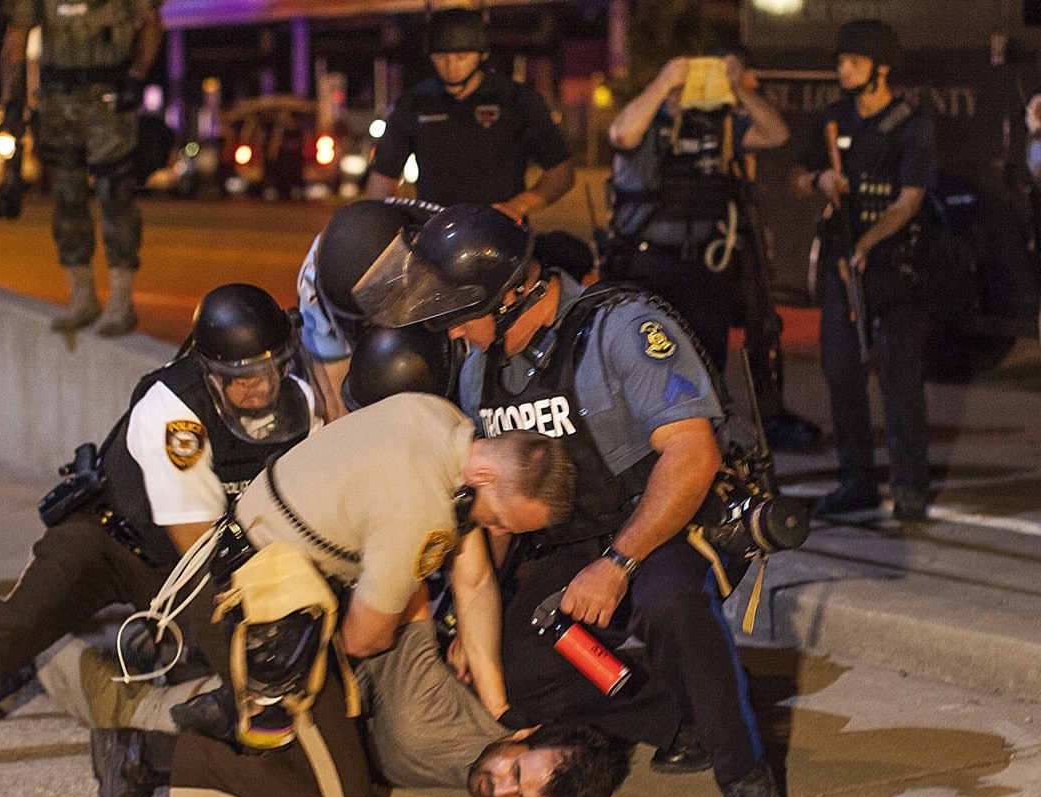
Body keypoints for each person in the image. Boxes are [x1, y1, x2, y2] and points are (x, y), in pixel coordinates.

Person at [352, 203, 785, 797]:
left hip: (659, 523)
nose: (449, 334)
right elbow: (496, 516)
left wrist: (617, 564)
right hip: (565, 541)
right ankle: (679, 713)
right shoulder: (482, 370)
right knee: (511, 675)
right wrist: (472, 621)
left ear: (506, 298)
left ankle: (741, 766)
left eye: (456, 317)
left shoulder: (622, 329)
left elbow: (694, 456)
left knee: (669, 601)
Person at [0, 283, 318, 790]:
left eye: (271, 368)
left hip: (199, 556)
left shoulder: (300, 401)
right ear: (208, 371)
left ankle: (114, 665)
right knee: (13, 629)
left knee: (261, 683)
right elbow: (197, 547)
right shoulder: (172, 408)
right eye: (242, 375)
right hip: (113, 541)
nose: (262, 387)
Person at [88, 392, 578, 797]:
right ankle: (146, 761)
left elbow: (473, 581)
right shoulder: (420, 510)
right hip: (259, 616)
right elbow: (363, 639)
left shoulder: (440, 419)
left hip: (248, 567)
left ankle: (234, 716)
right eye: (496, 518)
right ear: (485, 478)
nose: (491, 528)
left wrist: (495, 707)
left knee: (320, 745)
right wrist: (328, 697)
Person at [34, 606, 623, 797]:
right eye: (515, 773)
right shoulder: (447, 710)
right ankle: (34, 651)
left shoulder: (477, 763)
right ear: (525, 733)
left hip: (308, 724)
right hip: (294, 682)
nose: (501, 791)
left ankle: (124, 673)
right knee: (133, 711)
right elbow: (414, 598)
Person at [606, 47, 821, 451]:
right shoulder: (648, 121)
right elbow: (622, 134)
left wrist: (738, 87)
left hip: (700, 265)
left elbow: (776, 133)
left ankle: (704, 451)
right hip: (644, 264)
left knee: (706, 363)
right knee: (642, 366)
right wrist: (664, 82)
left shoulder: (717, 127)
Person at [793, 19, 936, 521]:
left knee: (899, 379)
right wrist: (820, 178)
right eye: (841, 60)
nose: (843, 69)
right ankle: (856, 481)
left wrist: (870, 241)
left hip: (893, 270)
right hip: (841, 268)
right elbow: (796, 175)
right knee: (841, 374)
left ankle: (911, 484)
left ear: (881, 67)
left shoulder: (909, 124)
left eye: (852, 61)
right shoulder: (833, 119)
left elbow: (910, 199)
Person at [0, 0, 164, 336]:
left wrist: (136, 75)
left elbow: (151, 24)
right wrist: (12, 101)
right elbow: (15, 40)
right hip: (59, 102)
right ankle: (82, 295)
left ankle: (121, 301)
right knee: (67, 199)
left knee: (114, 195)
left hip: (109, 100)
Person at [364, 7, 575, 221]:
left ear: (482, 54)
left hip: (501, 232)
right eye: (442, 56)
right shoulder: (415, 102)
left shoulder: (515, 99)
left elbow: (561, 171)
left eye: (462, 56)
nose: (451, 66)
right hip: (435, 234)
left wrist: (518, 206)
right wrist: (395, 222)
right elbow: (381, 180)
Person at [296, 196, 443, 421]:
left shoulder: (445, 255)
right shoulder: (315, 285)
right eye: (364, 324)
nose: (377, 329)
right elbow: (336, 407)